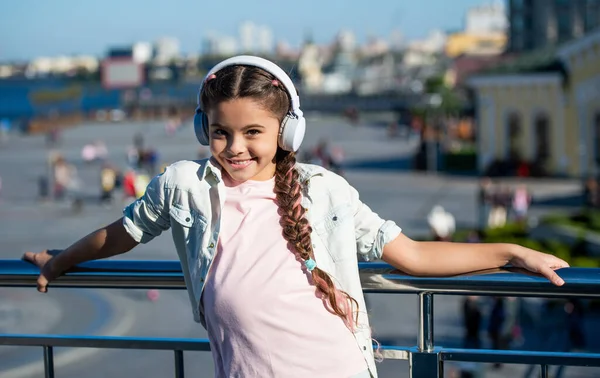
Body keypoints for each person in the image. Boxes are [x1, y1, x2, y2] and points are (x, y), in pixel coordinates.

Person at [22, 56, 569, 378]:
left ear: (286, 133)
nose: (234, 147)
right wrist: (58, 260)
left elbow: (415, 254)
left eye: (253, 132)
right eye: (220, 132)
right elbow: (120, 235)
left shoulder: (323, 192)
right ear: (201, 129)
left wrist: (509, 253)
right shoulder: (185, 187)